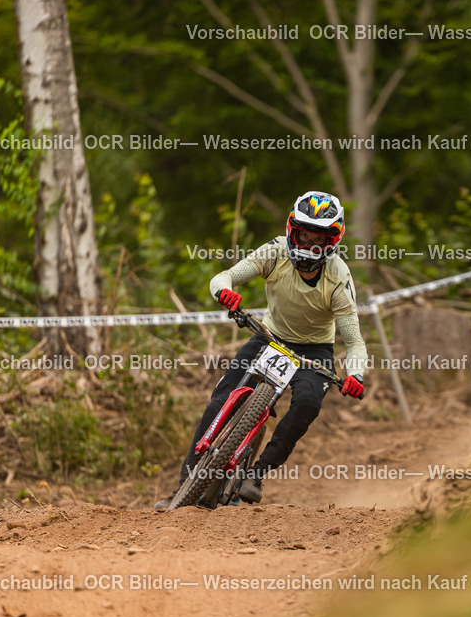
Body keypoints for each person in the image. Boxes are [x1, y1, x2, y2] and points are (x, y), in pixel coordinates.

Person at [155, 191, 367, 509]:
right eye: (302, 234)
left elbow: (354, 342)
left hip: (314, 351)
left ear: (331, 242)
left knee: (308, 404)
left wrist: (356, 374)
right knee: (221, 396)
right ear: (290, 229)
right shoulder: (275, 252)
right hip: (269, 336)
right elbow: (224, 277)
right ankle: (185, 486)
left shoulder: (338, 279)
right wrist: (225, 292)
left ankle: (256, 473)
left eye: (316, 239)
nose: (307, 244)